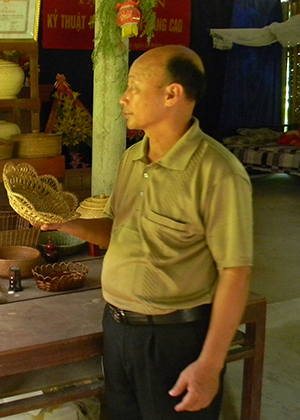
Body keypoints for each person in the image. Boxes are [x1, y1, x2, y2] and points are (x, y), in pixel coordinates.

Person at [42, 45, 253, 419]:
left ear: (172, 94)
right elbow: (116, 230)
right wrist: (63, 222)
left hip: (175, 339)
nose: (124, 98)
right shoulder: (132, 157)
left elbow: (235, 272)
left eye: (134, 86)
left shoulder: (218, 173)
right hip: (119, 329)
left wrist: (210, 364)